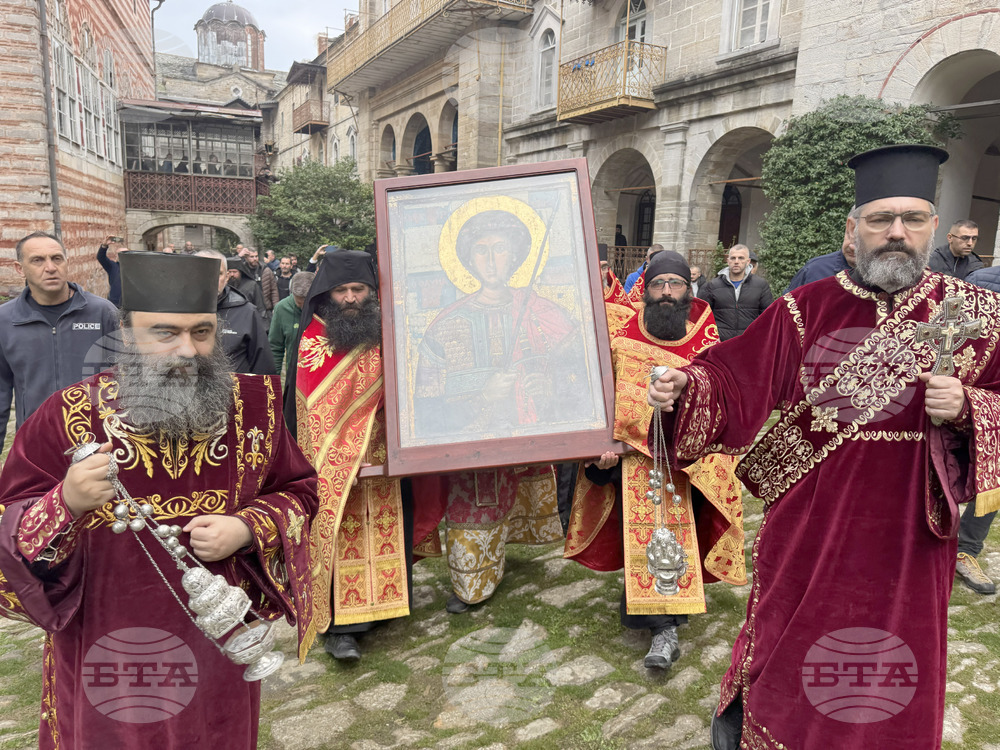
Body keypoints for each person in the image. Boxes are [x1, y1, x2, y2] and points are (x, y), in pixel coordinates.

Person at [649, 144, 1000, 750]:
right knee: (793, 627)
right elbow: (736, 376)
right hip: (812, 517)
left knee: (895, 646)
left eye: (913, 219)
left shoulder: (979, 314)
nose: (897, 233)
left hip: (912, 530)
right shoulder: (805, 308)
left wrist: (972, 407)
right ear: (854, 227)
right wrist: (689, 385)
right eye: (880, 219)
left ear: (934, 225)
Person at [0, 251, 318, 749]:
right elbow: (10, 526)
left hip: (218, 636)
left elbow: (300, 491)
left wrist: (246, 527)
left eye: (202, 332)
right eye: (165, 333)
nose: (188, 350)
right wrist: (66, 502)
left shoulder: (252, 408)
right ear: (127, 335)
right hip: (106, 638)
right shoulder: (66, 414)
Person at [567, 251, 744, 671]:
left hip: (687, 465)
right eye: (658, 284)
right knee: (643, 534)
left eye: (675, 284)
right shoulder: (620, 336)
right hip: (632, 461)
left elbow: (721, 399)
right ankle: (661, 627)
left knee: (675, 538)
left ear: (688, 290)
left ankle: (664, 626)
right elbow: (600, 398)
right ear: (644, 290)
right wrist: (600, 451)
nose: (666, 292)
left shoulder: (706, 341)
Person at [412, 210, 567, 613]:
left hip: (527, 439)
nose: (492, 260)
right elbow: (427, 404)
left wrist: (548, 386)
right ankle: (473, 582)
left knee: (519, 501)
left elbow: (575, 374)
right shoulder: (446, 324)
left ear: (516, 255)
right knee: (473, 533)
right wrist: (482, 397)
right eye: (481, 251)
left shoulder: (542, 312)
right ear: (467, 260)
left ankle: (506, 554)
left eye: (501, 249)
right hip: (474, 448)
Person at [285, 251, 418, 662]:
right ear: (327, 293)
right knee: (340, 535)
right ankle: (340, 629)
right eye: (340, 290)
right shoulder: (313, 339)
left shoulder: (387, 331)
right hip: (333, 462)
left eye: (358, 289)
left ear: (371, 291)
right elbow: (308, 411)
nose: (349, 298)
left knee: (386, 525)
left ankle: (383, 607)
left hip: (385, 455)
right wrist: (338, 457)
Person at [0, 232, 119, 454]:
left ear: (67, 262)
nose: (50, 267)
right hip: (36, 444)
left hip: (97, 445)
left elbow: (123, 379)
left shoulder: (102, 312)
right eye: (37, 260)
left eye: (57, 258)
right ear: (19, 268)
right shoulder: (5, 320)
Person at [953, 261, 1000, 595]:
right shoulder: (981, 280)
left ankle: (966, 550)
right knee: (936, 466)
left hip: (996, 401)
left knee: (995, 474)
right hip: (962, 391)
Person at [196, 249, 275, 375]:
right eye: (202, 272)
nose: (210, 279)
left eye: (218, 273)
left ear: (227, 277)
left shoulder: (247, 312)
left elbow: (262, 365)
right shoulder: (175, 313)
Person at [697, 244, 772, 340]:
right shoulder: (712, 285)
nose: (736, 262)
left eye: (741, 258)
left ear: (748, 261)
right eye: (733, 258)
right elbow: (702, 317)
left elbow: (768, 316)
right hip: (721, 343)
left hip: (749, 341)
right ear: (728, 261)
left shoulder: (761, 285)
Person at [269, 271, 313, 381]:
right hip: (294, 377)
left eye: (307, 303)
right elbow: (275, 348)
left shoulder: (326, 306)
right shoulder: (281, 309)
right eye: (299, 304)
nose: (304, 308)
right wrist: (274, 380)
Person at [784, 231, 858, 292]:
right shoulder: (814, 269)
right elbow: (786, 304)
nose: (852, 247)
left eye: (860, 241)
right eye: (849, 236)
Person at [245, 248, 279, 320]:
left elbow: (274, 290)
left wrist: (276, 308)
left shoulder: (266, 270)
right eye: (252, 257)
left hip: (265, 309)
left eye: (256, 256)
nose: (255, 259)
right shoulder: (243, 271)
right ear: (246, 258)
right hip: (248, 308)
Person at [96, 234, 123, 306]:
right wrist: (104, 245)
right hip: (115, 303)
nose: (122, 256)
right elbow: (101, 258)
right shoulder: (113, 266)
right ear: (116, 256)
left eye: (124, 254)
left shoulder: (134, 268)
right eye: (119, 254)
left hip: (130, 304)